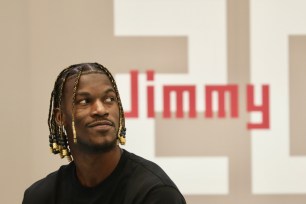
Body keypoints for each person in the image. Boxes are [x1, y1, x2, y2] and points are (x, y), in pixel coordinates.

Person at [22, 63, 186, 204]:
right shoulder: (41, 196)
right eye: (85, 101)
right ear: (60, 117)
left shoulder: (154, 193)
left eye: (109, 99)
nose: (101, 110)